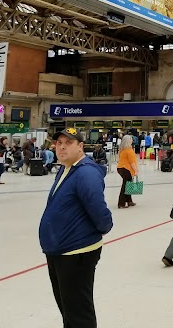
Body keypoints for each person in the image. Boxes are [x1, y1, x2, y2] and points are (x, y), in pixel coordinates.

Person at [39, 127, 113, 328]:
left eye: (68, 143)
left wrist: (104, 227)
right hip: (61, 250)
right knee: (68, 308)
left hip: (76, 251)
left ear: (81, 147)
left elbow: (99, 210)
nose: (61, 147)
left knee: (78, 312)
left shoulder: (86, 173)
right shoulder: (66, 168)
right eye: (59, 143)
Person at [116, 135, 138, 209]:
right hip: (126, 169)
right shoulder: (129, 150)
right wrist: (136, 170)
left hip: (120, 168)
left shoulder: (122, 150)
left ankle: (129, 201)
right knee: (125, 186)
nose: (132, 140)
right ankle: (121, 203)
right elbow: (132, 162)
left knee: (128, 185)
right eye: (131, 139)